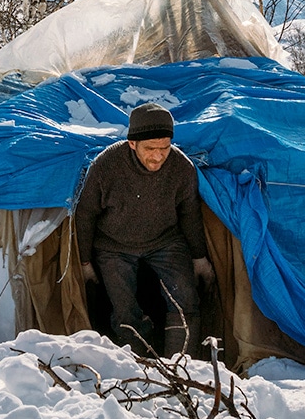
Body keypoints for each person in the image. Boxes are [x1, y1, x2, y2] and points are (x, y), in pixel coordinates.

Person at [74, 102, 215, 356]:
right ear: (132, 144)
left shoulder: (181, 167)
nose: (158, 156)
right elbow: (85, 215)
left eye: (165, 148)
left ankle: (180, 366)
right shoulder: (105, 166)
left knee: (185, 298)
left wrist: (199, 256)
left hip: (165, 240)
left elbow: (190, 213)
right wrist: (84, 262)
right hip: (113, 245)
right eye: (150, 148)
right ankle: (140, 366)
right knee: (124, 310)